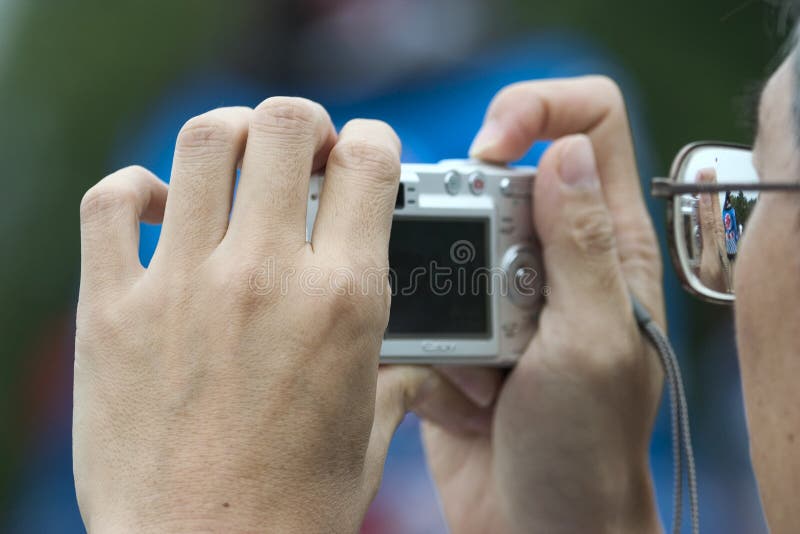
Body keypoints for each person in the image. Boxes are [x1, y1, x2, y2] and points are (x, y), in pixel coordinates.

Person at [74, 24, 800, 534]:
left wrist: (197, 514)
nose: (715, 244)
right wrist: (596, 519)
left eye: (752, 187)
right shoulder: (195, 103)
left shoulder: (527, 68)